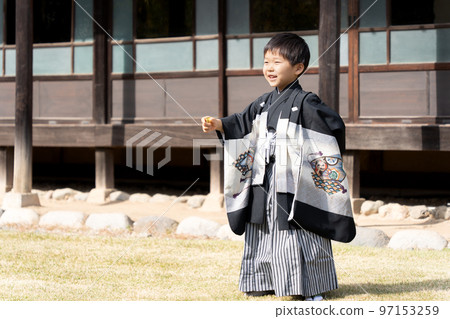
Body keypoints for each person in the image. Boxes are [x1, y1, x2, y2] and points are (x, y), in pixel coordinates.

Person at [201, 33, 355, 300]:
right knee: (261, 226)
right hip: (264, 178)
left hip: (294, 182)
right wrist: (219, 124)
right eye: (266, 62)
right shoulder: (263, 102)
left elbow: (333, 128)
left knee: (297, 229)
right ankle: (263, 279)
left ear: (298, 68)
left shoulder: (307, 102)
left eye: (277, 62)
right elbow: (240, 122)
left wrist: (301, 148)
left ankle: (308, 286)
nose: (269, 68)